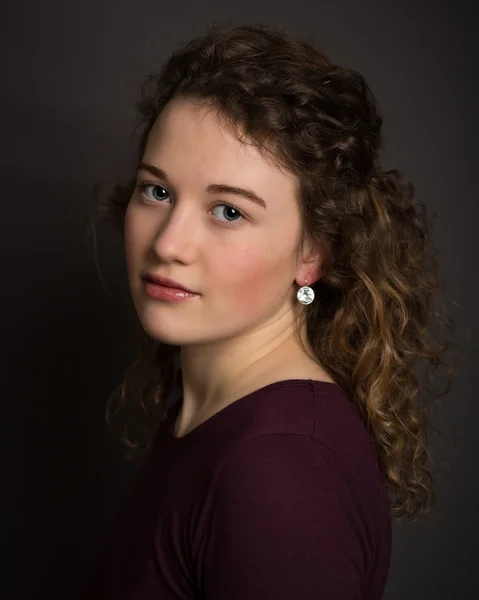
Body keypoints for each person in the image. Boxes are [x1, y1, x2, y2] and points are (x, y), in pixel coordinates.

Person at [84, 21, 456, 599]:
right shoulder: (215, 414)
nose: (168, 244)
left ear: (312, 253)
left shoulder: (282, 472)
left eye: (228, 212)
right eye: (157, 191)